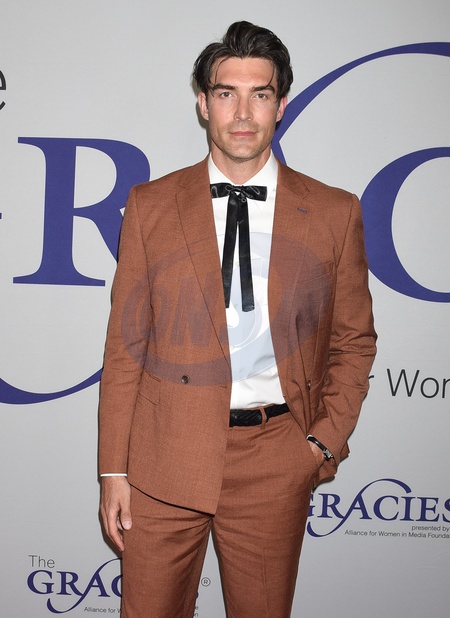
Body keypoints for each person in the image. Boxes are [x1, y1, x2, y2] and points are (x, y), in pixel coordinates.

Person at [99, 20, 376, 618]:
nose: (243, 113)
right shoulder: (150, 205)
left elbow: (354, 342)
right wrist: (113, 471)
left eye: (260, 94)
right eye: (227, 93)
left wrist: (319, 445)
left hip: (275, 457)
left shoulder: (335, 213)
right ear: (204, 103)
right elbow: (125, 349)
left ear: (281, 104)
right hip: (163, 457)